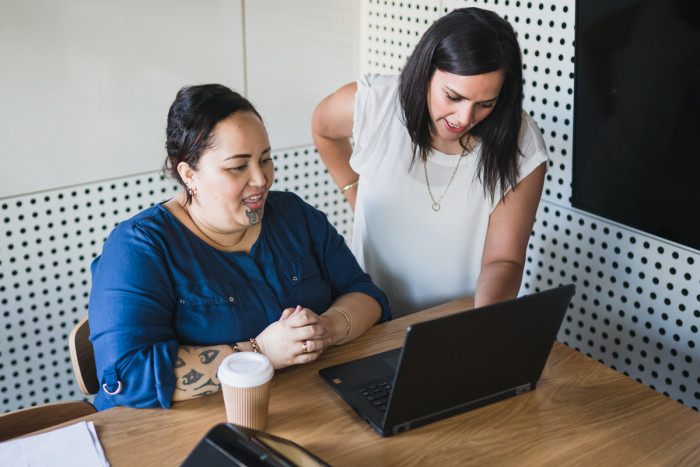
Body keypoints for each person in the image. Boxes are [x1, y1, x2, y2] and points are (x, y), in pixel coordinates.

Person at [88, 84, 390, 410]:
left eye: (266, 159)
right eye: (238, 166)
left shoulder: (294, 215)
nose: (261, 179)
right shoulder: (139, 247)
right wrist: (260, 353)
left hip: (301, 408)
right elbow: (126, 375)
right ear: (189, 174)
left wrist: (326, 328)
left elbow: (366, 294)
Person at [312, 7, 548, 317]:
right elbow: (323, 128)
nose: (464, 118)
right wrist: (352, 190)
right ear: (425, 72)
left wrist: (484, 321)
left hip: (454, 325)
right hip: (367, 318)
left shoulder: (522, 143)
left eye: (485, 104)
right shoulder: (375, 103)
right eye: (453, 96)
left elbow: (504, 260)